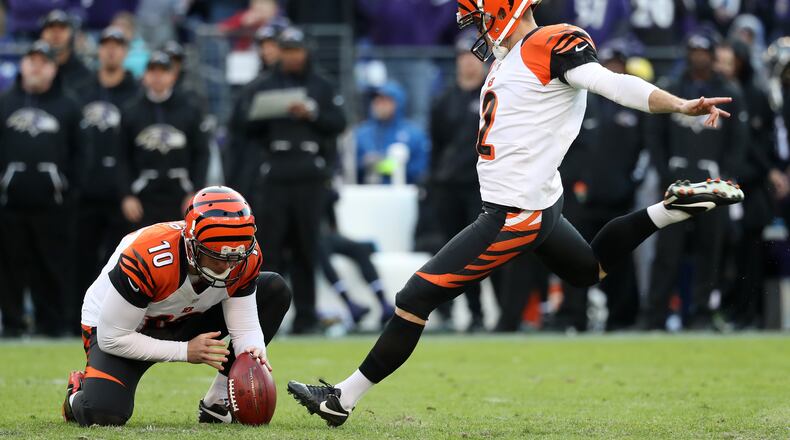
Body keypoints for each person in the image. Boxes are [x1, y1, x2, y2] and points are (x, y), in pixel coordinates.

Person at [288, 0, 742, 425]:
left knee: (414, 298)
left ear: (502, 11)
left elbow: (612, 84)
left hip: (515, 213)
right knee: (589, 270)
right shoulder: (511, 58)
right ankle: (670, 209)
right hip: (534, 201)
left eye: (483, 18)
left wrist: (679, 104)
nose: (480, 31)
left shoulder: (549, 44)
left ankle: (341, 399)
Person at [61, 186, 292, 426]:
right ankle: (77, 391)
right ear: (192, 246)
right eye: (216, 256)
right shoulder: (149, 258)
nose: (227, 266)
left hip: (185, 316)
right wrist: (185, 351)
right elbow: (112, 337)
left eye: (235, 257)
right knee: (103, 413)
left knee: (274, 289)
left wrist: (251, 353)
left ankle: (218, 402)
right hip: (122, 328)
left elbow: (244, 328)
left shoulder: (244, 255)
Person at [229, 27, 346, 334]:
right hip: (275, 171)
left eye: (297, 49)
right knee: (271, 248)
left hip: (309, 172)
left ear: (306, 50)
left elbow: (339, 122)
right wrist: (270, 111)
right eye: (287, 49)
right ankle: (266, 318)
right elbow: (241, 125)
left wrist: (312, 113)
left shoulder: (321, 84)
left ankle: (306, 317)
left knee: (307, 246)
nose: (292, 56)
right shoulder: (263, 84)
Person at [644, 32, 748, 331]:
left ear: (712, 54)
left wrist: (726, 177)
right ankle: (655, 315)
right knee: (667, 250)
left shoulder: (729, 91)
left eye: (704, 51)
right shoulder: (673, 88)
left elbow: (738, 141)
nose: (698, 56)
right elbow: (654, 136)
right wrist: (664, 171)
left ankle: (703, 313)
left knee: (710, 249)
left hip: (712, 181)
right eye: (694, 50)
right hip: (676, 179)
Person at [554, 39, 647, 331]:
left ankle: (622, 318)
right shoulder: (581, 102)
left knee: (621, 261)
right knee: (576, 258)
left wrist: (631, 183)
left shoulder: (634, 108)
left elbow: (646, 151)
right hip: (583, 198)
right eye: (609, 64)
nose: (613, 69)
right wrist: (574, 182)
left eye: (618, 64)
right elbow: (565, 145)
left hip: (618, 198)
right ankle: (575, 318)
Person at [0, 41, 80, 337]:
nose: (36, 66)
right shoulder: (5, 102)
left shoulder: (68, 105)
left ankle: (53, 323)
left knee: (52, 267)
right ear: (22, 65)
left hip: (53, 204)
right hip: (11, 203)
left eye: (42, 61)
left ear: (53, 68)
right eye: (31, 60)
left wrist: (68, 189)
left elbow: (79, 152)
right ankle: (12, 322)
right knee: (10, 268)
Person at [73, 27, 140, 319]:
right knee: (81, 258)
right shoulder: (81, 90)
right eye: (106, 45)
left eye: (118, 45)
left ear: (126, 51)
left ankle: (117, 320)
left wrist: (128, 190)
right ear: (99, 50)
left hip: (121, 194)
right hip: (85, 191)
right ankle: (78, 318)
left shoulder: (136, 93)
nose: (111, 50)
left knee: (120, 262)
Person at [427, 32, 489, 331]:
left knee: (476, 253)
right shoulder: (443, 101)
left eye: (473, 56)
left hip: (480, 186)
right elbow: (436, 145)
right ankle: (449, 311)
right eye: (463, 56)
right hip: (448, 185)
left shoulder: (492, 95)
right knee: (449, 251)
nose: (468, 63)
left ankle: (478, 312)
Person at [118, 51, 210, 228]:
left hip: (180, 193)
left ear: (173, 76)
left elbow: (201, 153)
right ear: (145, 76)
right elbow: (122, 156)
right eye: (153, 71)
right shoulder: (131, 111)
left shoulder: (190, 109)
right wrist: (126, 195)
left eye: (163, 71)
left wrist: (195, 192)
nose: (157, 77)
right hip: (143, 194)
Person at [355, 81, 429, 185]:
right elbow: (350, 167)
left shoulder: (414, 134)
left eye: (385, 101)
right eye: (377, 100)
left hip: (404, 194)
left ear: (398, 103)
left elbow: (420, 169)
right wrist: (363, 164)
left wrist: (384, 165)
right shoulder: (361, 134)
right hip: (367, 194)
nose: (379, 105)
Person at [39, 9, 92, 96]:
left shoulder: (84, 75)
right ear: (42, 34)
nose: (56, 34)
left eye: (62, 28)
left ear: (71, 34)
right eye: (51, 28)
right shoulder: (34, 72)